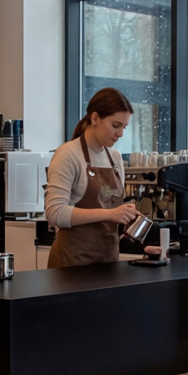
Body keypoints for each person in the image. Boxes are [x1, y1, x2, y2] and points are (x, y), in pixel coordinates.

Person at [45, 88, 141, 268]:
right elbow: (55, 213)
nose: (120, 133)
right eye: (115, 125)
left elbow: (112, 215)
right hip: (71, 265)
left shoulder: (115, 158)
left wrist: (126, 215)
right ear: (95, 118)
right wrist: (110, 214)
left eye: (124, 127)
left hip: (108, 263)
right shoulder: (68, 155)